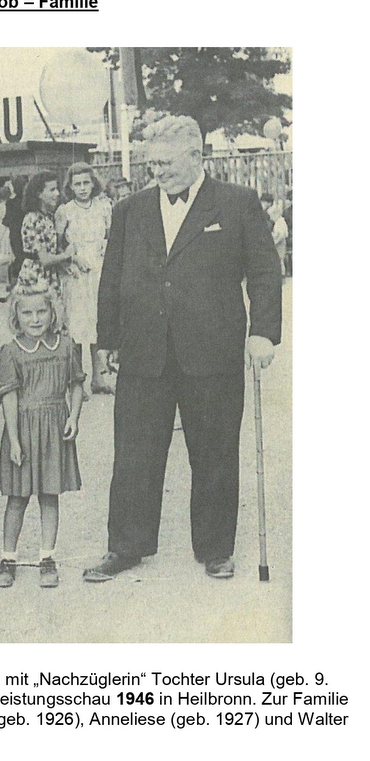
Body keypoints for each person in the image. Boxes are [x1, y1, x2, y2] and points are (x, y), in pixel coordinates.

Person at [83, 115, 282, 582]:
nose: (157, 173)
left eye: (166, 164)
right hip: (143, 350)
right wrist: (106, 340)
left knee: (214, 451)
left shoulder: (237, 202)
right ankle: (126, 545)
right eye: (152, 164)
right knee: (134, 454)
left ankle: (215, 548)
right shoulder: (129, 209)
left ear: (196, 156)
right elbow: (112, 277)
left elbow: (264, 271)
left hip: (213, 350)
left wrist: (263, 332)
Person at [0, 282, 84, 588]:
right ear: (16, 316)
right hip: (24, 431)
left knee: (49, 495)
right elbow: (9, 397)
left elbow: (76, 383)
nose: (35, 319)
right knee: (17, 498)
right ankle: (8, 558)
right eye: (27, 313)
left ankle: (47, 558)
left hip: (54, 431)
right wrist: (14, 440)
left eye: (41, 311)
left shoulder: (66, 347)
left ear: (53, 312)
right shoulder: (11, 352)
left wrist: (73, 417)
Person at [56, 162, 113, 395]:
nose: (82, 188)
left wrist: (105, 250)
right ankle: (76, 381)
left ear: (93, 184)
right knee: (78, 327)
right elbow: (57, 244)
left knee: (98, 323)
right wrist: (71, 260)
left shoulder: (104, 206)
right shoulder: (65, 211)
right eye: (77, 184)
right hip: (77, 273)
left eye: (86, 183)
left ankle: (98, 378)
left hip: (99, 269)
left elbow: (110, 236)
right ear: (70, 186)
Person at [18, 171, 75, 293]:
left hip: (49, 276)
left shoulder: (47, 217)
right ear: (39, 194)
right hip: (36, 277)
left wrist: (65, 265)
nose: (57, 193)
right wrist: (67, 255)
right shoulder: (33, 219)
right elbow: (45, 259)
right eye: (52, 190)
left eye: (57, 189)